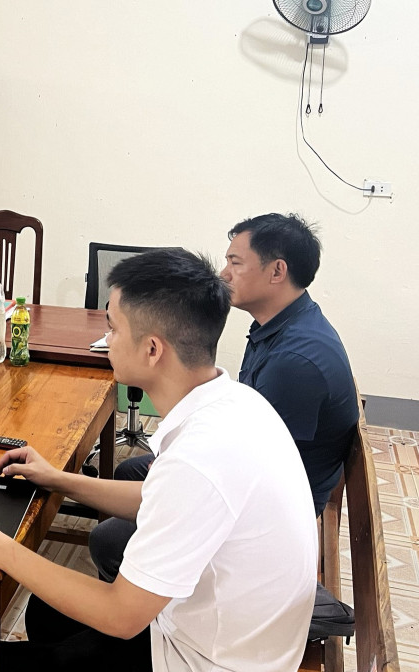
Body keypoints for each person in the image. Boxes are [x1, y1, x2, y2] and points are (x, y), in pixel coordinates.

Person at [0, 249, 318, 672]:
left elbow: (122, 616)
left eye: (113, 327)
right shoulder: (230, 400)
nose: (106, 340)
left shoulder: (200, 459)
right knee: (45, 613)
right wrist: (58, 479)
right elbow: (157, 498)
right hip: (217, 636)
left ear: (152, 349)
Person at [90, 213, 358, 582]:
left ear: (277, 271)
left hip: (272, 509)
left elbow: (256, 468)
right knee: (129, 470)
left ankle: (145, 589)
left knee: (108, 539)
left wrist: (180, 474)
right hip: (253, 471)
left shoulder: (295, 361)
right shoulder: (282, 327)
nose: (224, 274)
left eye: (235, 262)